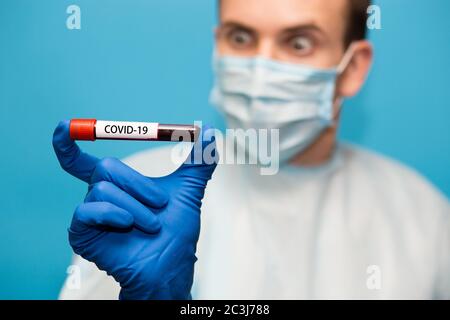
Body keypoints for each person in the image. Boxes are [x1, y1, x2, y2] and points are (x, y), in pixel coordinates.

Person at [54, 0, 450, 299]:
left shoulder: (423, 218)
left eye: (298, 43)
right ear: (217, 45)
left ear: (353, 68)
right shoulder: (141, 194)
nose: (260, 70)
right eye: (240, 37)